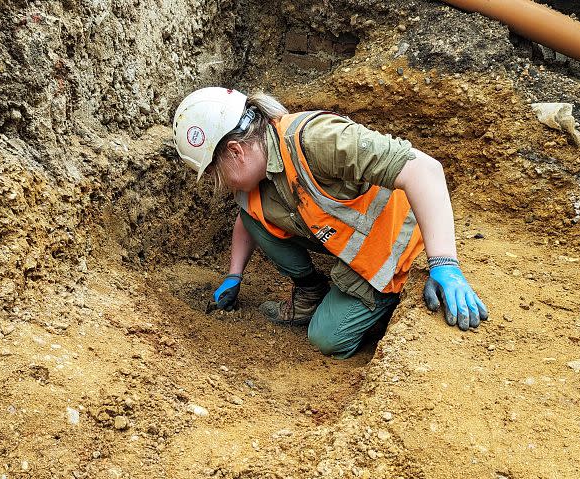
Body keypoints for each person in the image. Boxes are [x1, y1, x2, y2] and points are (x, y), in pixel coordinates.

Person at [172, 87, 488, 359]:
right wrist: (233, 275)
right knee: (253, 216)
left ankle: (384, 309)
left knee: (326, 339)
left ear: (236, 151)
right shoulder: (259, 174)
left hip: (396, 249)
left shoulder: (315, 139)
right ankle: (311, 296)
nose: (220, 183)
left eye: (215, 173)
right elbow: (250, 217)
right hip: (353, 251)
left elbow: (424, 170)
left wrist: (443, 262)